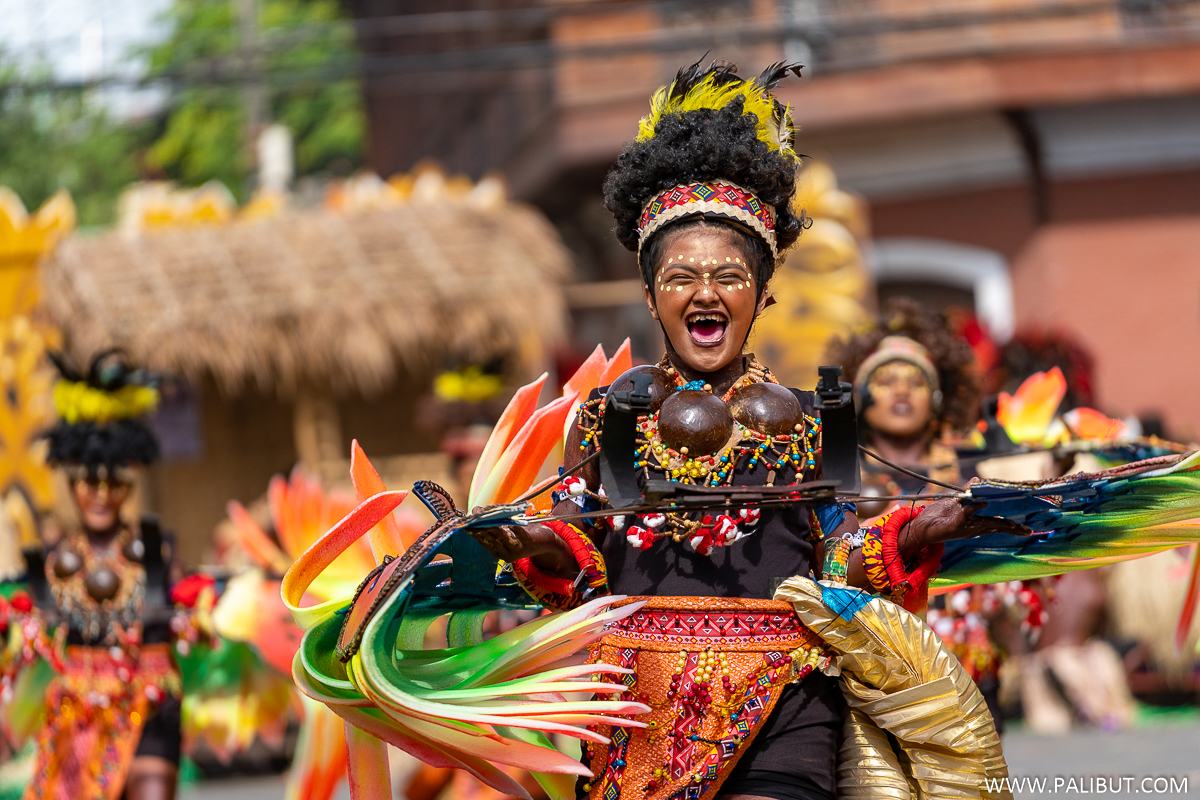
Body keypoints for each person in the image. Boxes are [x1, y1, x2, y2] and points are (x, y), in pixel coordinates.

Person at [467, 60, 1025, 800]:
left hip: (786, 702)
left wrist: (920, 530)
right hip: (635, 715)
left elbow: (838, 565)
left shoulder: (817, 419)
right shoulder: (609, 418)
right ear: (651, 296)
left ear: (761, 295)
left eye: (728, 276)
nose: (705, 292)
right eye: (681, 277)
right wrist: (529, 540)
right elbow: (582, 556)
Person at [9, 352, 183, 800]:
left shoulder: (158, 551)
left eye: (113, 483)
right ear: (71, 484)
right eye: (89, 482)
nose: (101, 495)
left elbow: (193, 614)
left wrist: (198, 614)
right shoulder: (52, 563)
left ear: (129, 485)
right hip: (78, 717)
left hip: (149, 709)